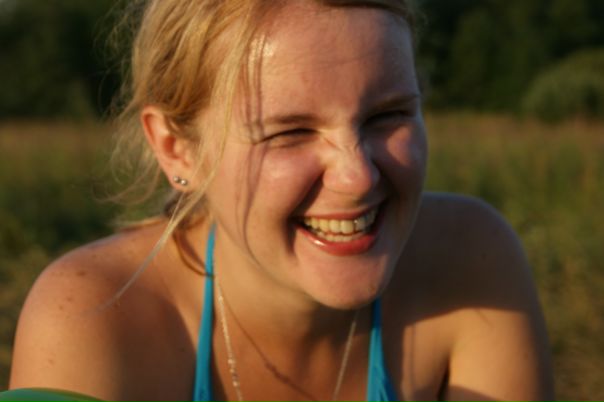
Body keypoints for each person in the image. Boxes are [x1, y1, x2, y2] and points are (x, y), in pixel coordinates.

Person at [7, 0, 554, 401]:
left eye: (387, 115)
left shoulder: (469, 263)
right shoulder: (95, 318)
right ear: (177, 149)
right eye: (289, 132)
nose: (357, 176)